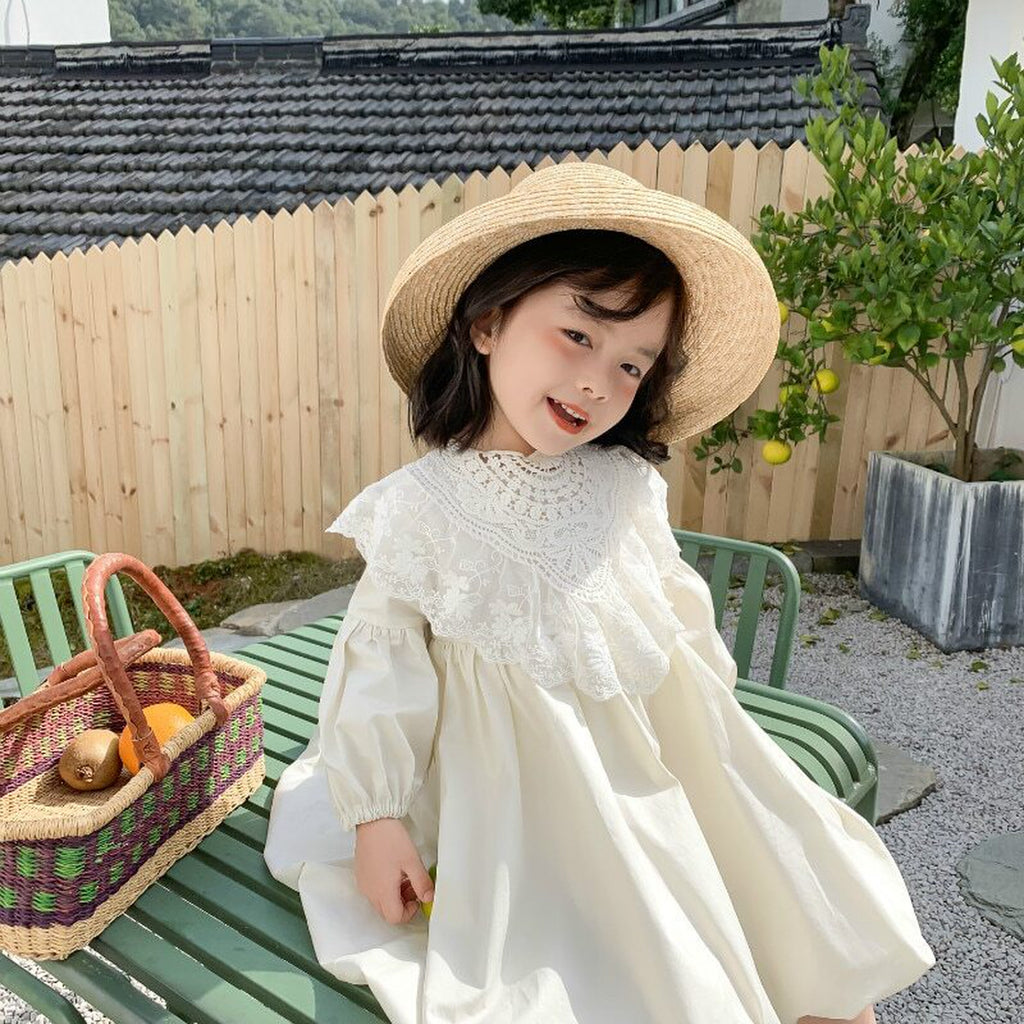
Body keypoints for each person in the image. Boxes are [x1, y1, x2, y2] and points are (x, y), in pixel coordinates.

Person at [262, 162, 936, 1024]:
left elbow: (681, 631)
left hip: (660, 764)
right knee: (655, 967)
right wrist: (377, 813)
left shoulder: (624, 486)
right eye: (578, 334)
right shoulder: (421, 509)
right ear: (487, 323)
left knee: (801, 931)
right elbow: (382, 669)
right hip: (522, 801)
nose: (597, 381)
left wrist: (720, 744)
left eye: (630, 365)